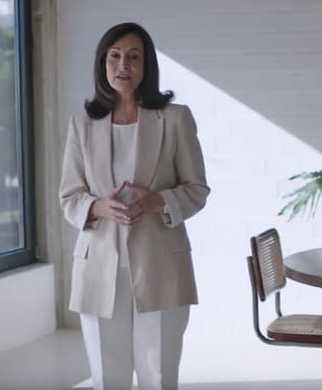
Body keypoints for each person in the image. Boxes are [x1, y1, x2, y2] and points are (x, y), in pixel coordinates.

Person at [59, 22, 210, 390]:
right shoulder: (82, 124)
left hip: (162, 266)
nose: (123, 64)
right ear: (103, 64)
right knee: (107, 378)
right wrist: (98, 207)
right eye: (114, 56)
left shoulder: (175, 119)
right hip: (98, 267)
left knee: (159, 375)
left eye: (133, 56)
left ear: (146, 65)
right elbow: (70, 197)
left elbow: (197, 190)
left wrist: (160, 200)